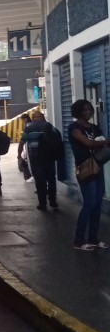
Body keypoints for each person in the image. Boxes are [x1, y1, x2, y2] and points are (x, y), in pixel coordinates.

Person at [68, 99, 110, 251]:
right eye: (84, 110)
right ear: (78, 112)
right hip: (85, 168)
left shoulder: (94, 127)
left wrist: (104, 142)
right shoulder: (74, 127)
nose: (87, 112)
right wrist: (106, 142)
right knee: (89, 204)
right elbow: (88, 143)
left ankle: (93, 238)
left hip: (97, 167)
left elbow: (101, 143)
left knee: (97, 204)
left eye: (89, 109)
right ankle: (78, 241)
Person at [18, 110, 57, 211]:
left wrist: (19, 155)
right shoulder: (49, 126)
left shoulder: (29, 128)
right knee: (51, 179)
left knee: (40, 180)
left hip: (35, 157)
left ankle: (42, 203)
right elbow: (57, 138)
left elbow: (22, 142)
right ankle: (53, 201)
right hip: (49, 156)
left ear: (33, 118)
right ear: (41, 117)